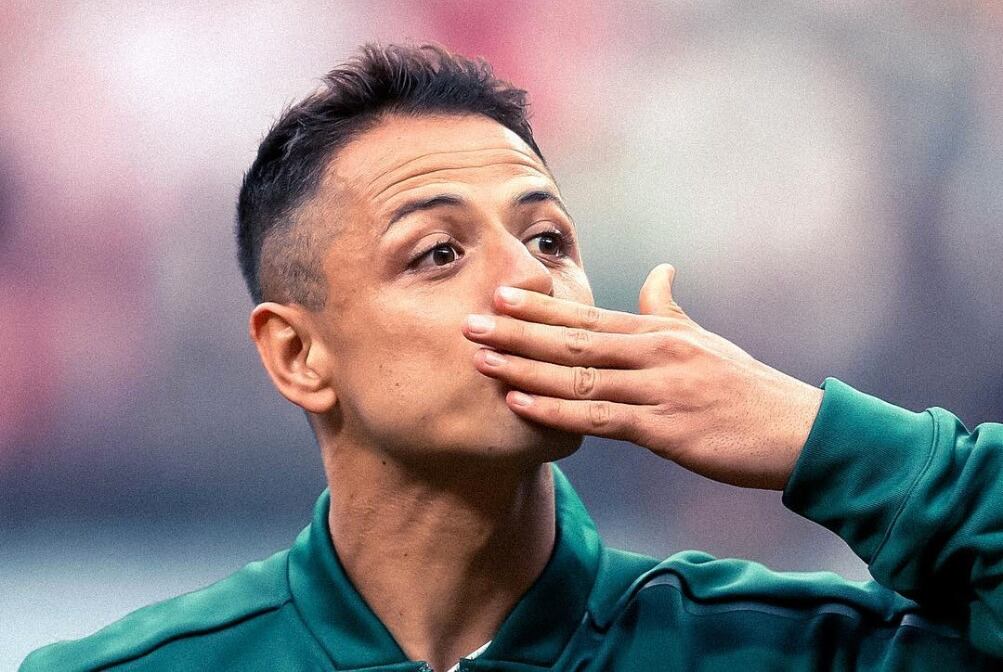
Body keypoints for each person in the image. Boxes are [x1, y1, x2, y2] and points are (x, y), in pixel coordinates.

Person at [20, 43, 1002, 671]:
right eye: (438, 253)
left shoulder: (777, 650)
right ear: (299, 353)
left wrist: (814, 438)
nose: (529, 280)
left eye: (547, 240)